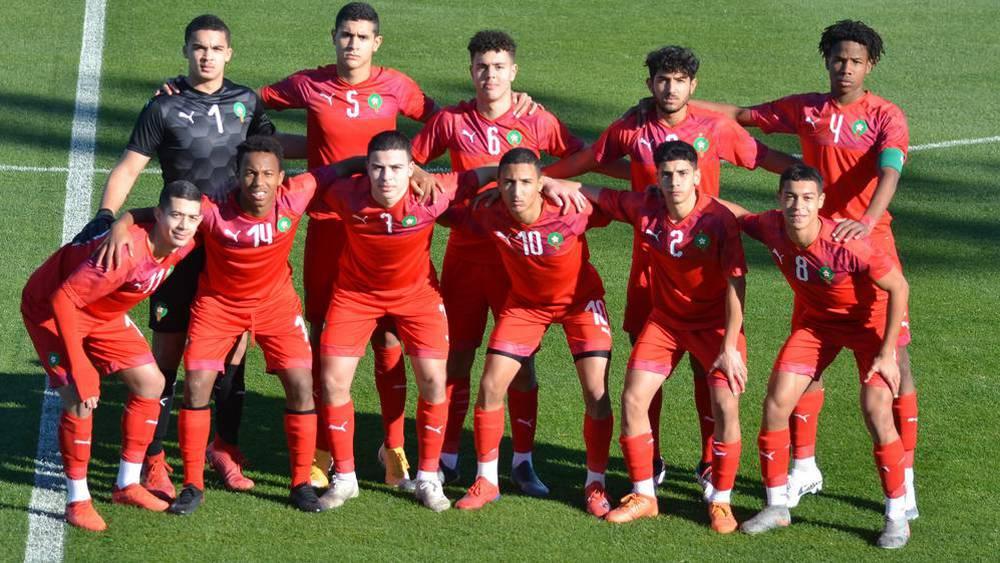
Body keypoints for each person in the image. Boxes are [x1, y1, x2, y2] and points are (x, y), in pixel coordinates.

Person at [693, 20, 917, 516]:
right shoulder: (807, 108)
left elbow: (891, 169)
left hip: (866, 245)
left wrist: (866, 221)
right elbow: (741, 115)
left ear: (870, 65)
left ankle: (907, 479)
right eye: (838, 59)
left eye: (855, 61)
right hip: (808, 243)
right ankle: (803, 468)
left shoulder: (885, 115)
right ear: (827, 61)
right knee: (808, 364)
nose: (845, 68)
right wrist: (679, 108)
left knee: (893, 366)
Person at [409, 29, 625, 493]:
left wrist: (557, 185)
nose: (490, 75)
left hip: (522, 264)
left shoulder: (537, 119)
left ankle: (522, 461)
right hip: (468, 257)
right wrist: (429, 184)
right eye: (482, 67)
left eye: (499, 67)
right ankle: (448, 456)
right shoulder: (450, 120)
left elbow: (579, 160)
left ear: (514, 72)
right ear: (471, 71)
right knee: (458, 359)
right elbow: (408, 164)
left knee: (518, 364)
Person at [72, 14, 277, 499]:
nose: (207, 55)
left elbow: (270, 151)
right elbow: (129, 167)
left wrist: (337, 149)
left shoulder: (248, 102)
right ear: (186, 51)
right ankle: (155, 458)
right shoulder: (163, 107)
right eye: (198, 47)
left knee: (231, 353)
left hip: (231, 247)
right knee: (167, 351)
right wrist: (107, 214)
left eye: (216, 48)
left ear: (230, 53)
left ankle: (224, 448)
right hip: (176, 246)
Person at [104, 136, 364, 516]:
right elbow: (153, 213)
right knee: (196, 383)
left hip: (276, 306)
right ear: (238, 176)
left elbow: (342, 165)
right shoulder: (213, 212)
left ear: (281, 178)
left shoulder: (298, 193)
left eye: (267, 174)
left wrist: (412, 170)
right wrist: (120, 221)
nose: (258, 183)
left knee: (302, 384)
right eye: (250, 173)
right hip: (218, 307)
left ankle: (300, 484)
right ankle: (192, 485)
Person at [545, 140, 748, 532]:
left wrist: (729, 347)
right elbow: (595, 193)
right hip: (666, 323)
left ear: (697, 177)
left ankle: (721, 501)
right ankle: (644, 494)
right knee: (633, 397)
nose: (674, 182)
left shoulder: (718, 219)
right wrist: (546, 181)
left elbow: (736, 285)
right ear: (657, 177)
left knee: (725, 403)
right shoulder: (645, 207)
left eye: (682, 174)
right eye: (667, 174)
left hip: (715, 325)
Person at [725, 164, 911, 549]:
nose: (798, 205)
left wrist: (888, 353)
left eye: (808, 198)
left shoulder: (847, 243)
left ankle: (897, 516)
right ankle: (777, 507)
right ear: (780, 199)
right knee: (776, 402)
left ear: (821, 202)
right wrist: (689, 197)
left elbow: (899, 287)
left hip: (869, 327)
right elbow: (738, 215)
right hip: (819, 326)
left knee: (877, 411)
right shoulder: (772, 225)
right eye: (791, 196)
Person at [315, 131, 500, 512]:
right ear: (365, 170)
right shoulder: (344, 194)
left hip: (417, 297)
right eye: (377, 168)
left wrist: (540, 178)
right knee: (333, 381)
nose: (386, 177)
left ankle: (429, 477)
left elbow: (485, 174)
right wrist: (351, 164)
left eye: (396, 168)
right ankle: (345, 478)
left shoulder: (434, 192)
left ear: (411, 169)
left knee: (435, 380)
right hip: (355, 296)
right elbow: (313, 179)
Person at [22, 181, 203, 531]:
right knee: (79, 398)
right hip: (52, 309)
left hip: (99, 312)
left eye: (191, 218)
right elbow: (63, 301)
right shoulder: (124, 256)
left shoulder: (185, 241)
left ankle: (127, 484)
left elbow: (163, 211)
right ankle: (77, 500)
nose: (183, 225)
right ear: (160, 215)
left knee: (152, 383)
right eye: (175, 215)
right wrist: (80, 366)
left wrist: (125, 218)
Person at [449, 148, 614, 518]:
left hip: (580, 305)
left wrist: (576, 185)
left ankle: (595, 483)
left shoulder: (572, 209)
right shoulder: (489, 211)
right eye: (508, 182)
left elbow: (622, 206)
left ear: (541, 184)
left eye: (526, 182)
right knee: (491, 385)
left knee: (596, 392)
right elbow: (443, 209)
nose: (516, 191)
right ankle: (487, 480)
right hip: (526, 307)